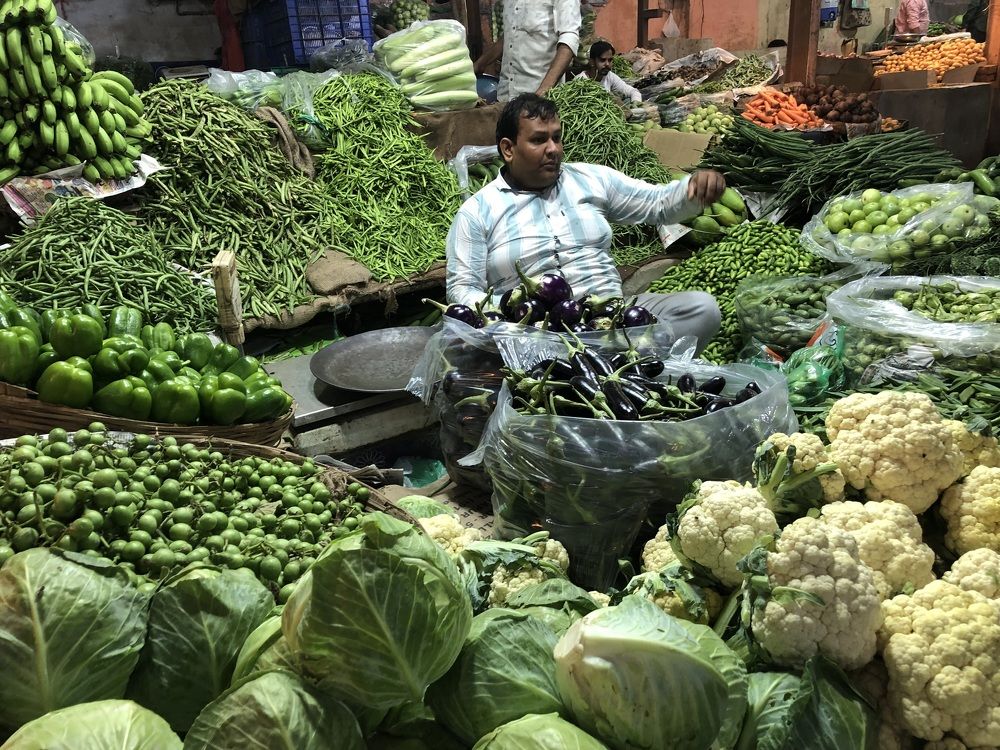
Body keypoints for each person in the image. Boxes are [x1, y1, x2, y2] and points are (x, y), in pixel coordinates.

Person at [446, 94, 723, 353]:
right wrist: (513, 310)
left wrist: (691, 190)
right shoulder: (477, 211)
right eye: (539, 140)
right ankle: (625, 370)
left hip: (614, 318)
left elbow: (657, 204)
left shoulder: (592, 180)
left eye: (557, 137)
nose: (553, 149)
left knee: (702, 310)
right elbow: (463, 289)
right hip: (539, 335)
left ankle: (622, 365)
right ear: (508, 149)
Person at [474, 0, 581, 100]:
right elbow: (510, 35)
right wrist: (480, 64)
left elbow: (569, 40)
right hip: (505, 96)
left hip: (539, 99)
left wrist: (543, 92)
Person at [577, 40, 642, 104]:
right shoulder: (580, 81)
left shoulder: (609, 76)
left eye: (610, 60)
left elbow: (632, 91)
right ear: (592, 62)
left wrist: (636, 102)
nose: (607, 64)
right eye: (602, 60)